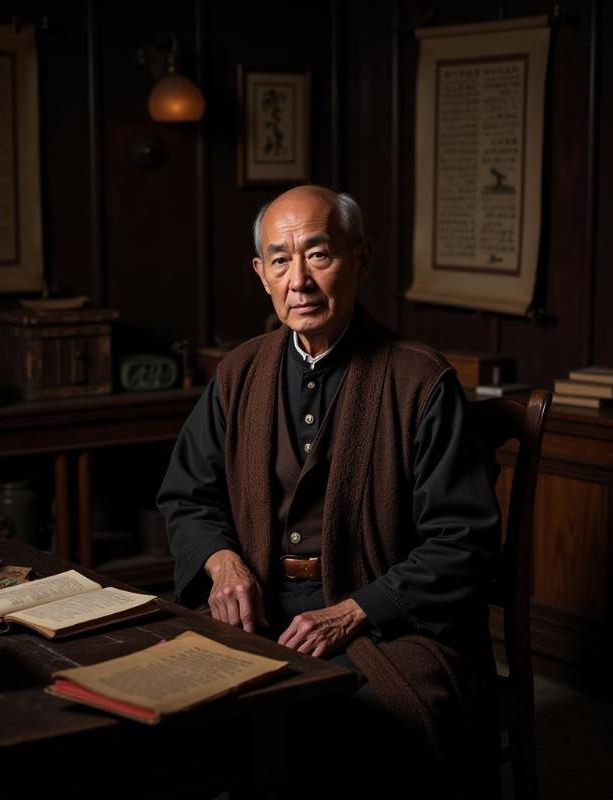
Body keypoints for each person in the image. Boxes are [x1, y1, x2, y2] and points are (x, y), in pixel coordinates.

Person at [157, 185, 501, 797]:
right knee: (159, 700)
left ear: (361, 259)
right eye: (281, 261)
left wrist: (354, 610)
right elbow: (187, 495)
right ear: (261, 275)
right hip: (257, 605)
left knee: (345, 722)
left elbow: (463, 541)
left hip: (387, 623)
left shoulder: (420, 380)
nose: (300, 281)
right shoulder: (239, 372)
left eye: (318, 255)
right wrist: (223, 561)